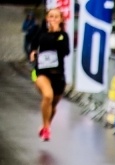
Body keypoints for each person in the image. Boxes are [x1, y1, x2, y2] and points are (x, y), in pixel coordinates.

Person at [29, 8, 70, 142]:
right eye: (50, 17)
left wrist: (56, 31)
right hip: (42, 72)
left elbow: (65, 51)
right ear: (47, 18)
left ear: (61, 20)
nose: (53, 19)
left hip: (58, 75)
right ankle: (46, 128)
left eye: (56, 17)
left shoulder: (63, 35)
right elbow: (34, 44)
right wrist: (33, 51)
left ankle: (46, 125)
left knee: (52, 107)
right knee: (48, 96)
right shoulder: (42, 33)